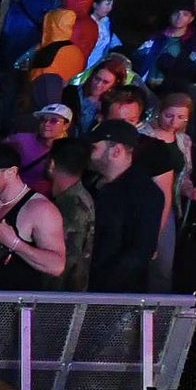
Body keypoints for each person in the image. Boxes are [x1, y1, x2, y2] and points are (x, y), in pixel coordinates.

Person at [0, 148, 65, 289]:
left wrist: (15, 244)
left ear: (11, 171)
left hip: (15, 306)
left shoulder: (40, 209)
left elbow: (56, 266)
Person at [86, 122, 165, 292]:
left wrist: (103, 284)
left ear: (115, 151)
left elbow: (140, 251)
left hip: (113, 293)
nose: (89, 154)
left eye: (94, 148)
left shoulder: (145, 193)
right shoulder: (90, 182)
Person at [41, 140, 96, 291]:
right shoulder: (79, 197)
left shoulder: (70, 204)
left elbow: (67, 256)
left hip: (61, 293)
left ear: (52, 164)